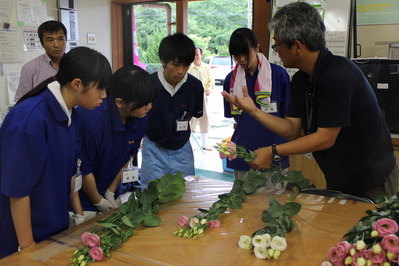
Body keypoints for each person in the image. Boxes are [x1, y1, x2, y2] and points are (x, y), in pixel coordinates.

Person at [222, 2, 398, 201]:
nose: (276, 50)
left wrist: (272, 151)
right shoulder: (301, 79)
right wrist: (254, 111)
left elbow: (325, 138)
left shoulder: (338, 74)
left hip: (373, 179)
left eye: (277, 44)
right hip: (340, 177)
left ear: (297, 46)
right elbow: (291, 130)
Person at [0, 46, 112, 258]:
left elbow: (70, 173)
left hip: (53, 228)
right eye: (100, 89)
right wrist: (27, 250)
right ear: (77, 84)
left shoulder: (71, 115)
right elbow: (18, 193)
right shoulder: (30, 121)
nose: (104, 96)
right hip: (23, 238)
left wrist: (77, 217)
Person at [77, 65, 157, 218]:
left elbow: (127, 157)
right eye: (144, 103)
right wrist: (98, 201)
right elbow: (84, 171)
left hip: (107, 186)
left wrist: (110, 191)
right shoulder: (94, 123)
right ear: (119, 103)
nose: (149, 107)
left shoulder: (140, 118)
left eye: (150, 101)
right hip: (82, 198)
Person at [223, 28, 291, 186]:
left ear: (257, 48)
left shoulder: (279, 75)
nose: (241, 59)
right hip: (244, 150)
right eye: (236, 55)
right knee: (245, 205)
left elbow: (288, 118)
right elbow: (237, 118)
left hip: (275, 150)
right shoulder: (231, 80)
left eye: (245, 54)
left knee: (276, 203)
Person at [140, 33, 204, 189]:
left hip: (182, 148)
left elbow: (193, 115)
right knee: (152, 195)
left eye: (186, 65)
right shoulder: (148, 84)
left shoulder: (195, 86)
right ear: (163, 61)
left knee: (185, 194)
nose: (181, 71)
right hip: (153, 147)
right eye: (175, 65)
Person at [14, 20, 67, 102]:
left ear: (66, 40)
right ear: (42, 43)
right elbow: (21, 102)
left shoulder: (76, 65)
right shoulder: (30, 68)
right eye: (50, 40)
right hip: (42, 114)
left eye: (60, 39)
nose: (56, 45)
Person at [188, 47, 215, 151]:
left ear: (201, 55)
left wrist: (209, 89)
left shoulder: (206, 67)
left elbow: (211, 80)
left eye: (197, 54)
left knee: (205, 118)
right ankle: (192, 145)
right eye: (193, 54)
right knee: (192, 119)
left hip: (203, 95)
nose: (195, 57)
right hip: (191, 95)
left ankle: (204, 144)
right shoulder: (189, 68)